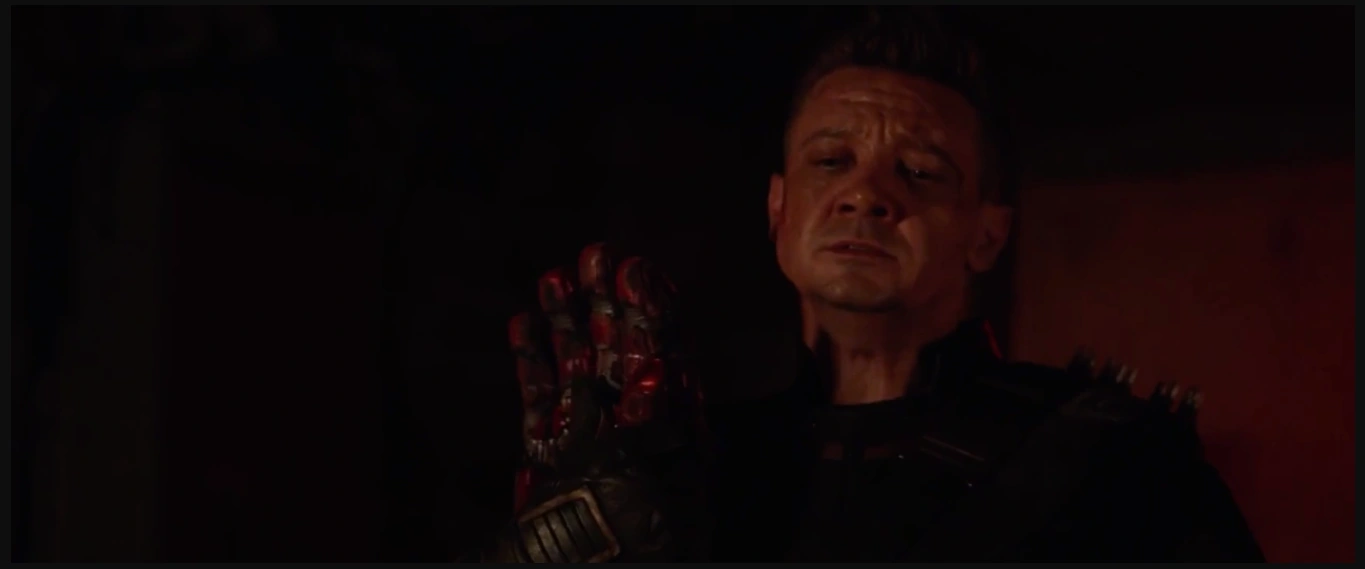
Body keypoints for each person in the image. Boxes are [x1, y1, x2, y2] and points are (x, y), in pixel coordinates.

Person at [476, 9, 1265, 563]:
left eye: (919, 171)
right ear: (779, 210)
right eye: (830, 161)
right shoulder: (691, 464)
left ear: (987, 234)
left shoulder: (1103, 462)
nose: (865, 194)